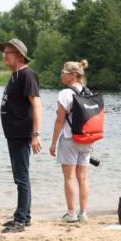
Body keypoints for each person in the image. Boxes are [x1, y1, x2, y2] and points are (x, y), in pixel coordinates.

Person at [0, 38, 42, 233]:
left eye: (7, 52)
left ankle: (21, 220)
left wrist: (36, 134)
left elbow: (37, 105)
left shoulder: (27, 75)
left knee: (21, 176)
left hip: (22, 133)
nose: (4, 55)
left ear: (19, 55)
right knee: (19, 176)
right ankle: (25, 216)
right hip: (13, 133)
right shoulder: (15, 74)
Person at [49, 60, 92, 223]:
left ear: (73, 75)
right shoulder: (88, 92)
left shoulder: (65, 94)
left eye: (64, 72)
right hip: (87, 139)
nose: (62, 75)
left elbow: (60, 119)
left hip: (69, 138)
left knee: (69, 178)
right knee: (83, 178)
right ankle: (84, 213)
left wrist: (53, 143)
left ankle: (71, 213)